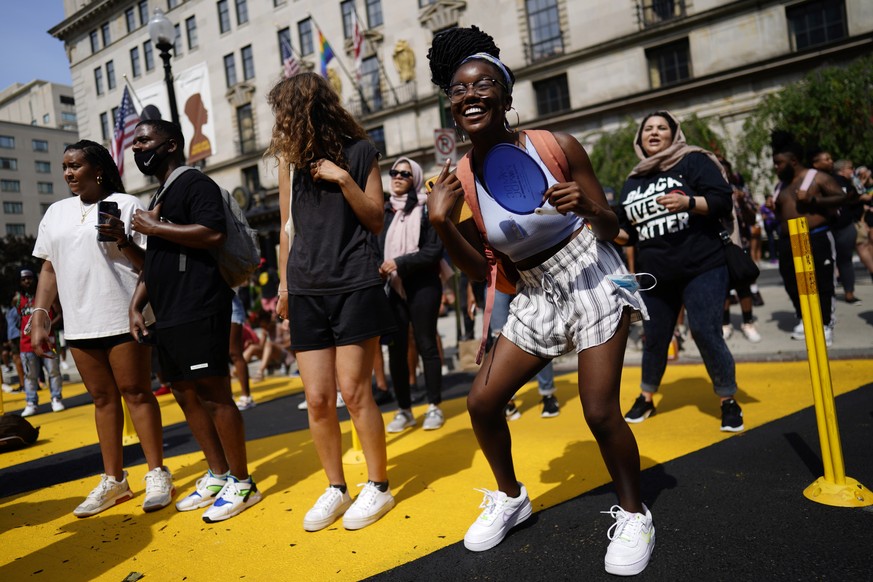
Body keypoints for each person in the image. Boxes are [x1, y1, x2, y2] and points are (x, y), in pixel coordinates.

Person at [426, 27, 654, 575]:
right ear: (452, 109)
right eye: (459, 91)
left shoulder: (555, 147)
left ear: (506, 97)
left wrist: (589, 207)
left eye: (483, 85)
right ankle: (511, 497)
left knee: (599, 409)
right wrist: (440, 223)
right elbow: (483, 269)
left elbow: (613, 228)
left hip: (591, 274)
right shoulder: (457, 179)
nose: (470, 95)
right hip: (533, 293)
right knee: (481, 404)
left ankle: (634, 512)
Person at [267, 73, 397, 532]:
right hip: (305, 289)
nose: (281, 124)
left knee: (355, 392)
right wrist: (284, 287)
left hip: (354, 284)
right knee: (318, 399)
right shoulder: (290, 164)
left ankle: (378, 486)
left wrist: (343, 178)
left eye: (285, 113)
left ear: (309, 111)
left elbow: (376, 218)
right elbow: (287, 230)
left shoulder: (361, 152)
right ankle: (336, 487)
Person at [28, 139, 174, 517]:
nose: (68, 173)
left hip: (124, 312)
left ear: (98, 169)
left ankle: (157, 472)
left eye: (75, 165)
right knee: (103, 400)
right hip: (79, 321)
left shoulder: (128, 205)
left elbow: (149, 265)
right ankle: (115, 481)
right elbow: (48, 267)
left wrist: (123, 240)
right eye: (65, 166)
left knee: (136, 392)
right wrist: (40, 313)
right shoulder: (55, 213)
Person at [129, 119, 261, 523]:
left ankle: (242, 481)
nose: (137, 148)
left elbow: (213, 234)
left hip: (200, 304)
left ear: (170, 145)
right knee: (184, 392)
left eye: (144, 140)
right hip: (168, 311)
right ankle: (218, 473)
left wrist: (155, 226)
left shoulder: (194, 184)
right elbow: (155, 261)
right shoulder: (162, 193)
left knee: (214, 392)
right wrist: (137, 305)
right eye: (135, 141)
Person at [616, 111, 745, 433]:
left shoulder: (693, 162)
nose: (655, 132)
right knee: (655, 338)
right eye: (648, 128)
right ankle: (646, 397)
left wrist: (688, 203)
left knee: (704, 330)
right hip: (656, 274)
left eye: (662, 127)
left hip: (703, 265)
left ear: (675, 134)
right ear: (640, 139)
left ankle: (728, 399)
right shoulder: (633, 180)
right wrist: (599, 228)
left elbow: (722, 201)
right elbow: (629, 233)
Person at [379, 157, 446, 433]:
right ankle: (404, 410)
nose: (397, 177)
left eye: (404, 174)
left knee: (426, 344)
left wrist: (400, 262)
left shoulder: (426, 209)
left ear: (415, 178)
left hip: (423, 284)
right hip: (392, 287)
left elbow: (434, 251)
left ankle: (434, 406)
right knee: (394, 351)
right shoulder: (384, 212)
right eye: (394, 172)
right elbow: (373, 247)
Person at [770, 131, 846, 345]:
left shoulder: (816, 177)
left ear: (793, 161)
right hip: (789, 240)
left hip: (816, 236)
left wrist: (813, 200)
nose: (776, 168)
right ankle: (805, 318)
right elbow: (783, 214)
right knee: (793, 283)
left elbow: (841, 197)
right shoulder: (781, 187)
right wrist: (773, 207)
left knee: (822, 282)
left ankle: (825, 324)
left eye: (779, 163)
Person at [14, 269, 64, 417]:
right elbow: (20, 320)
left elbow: (60, 315)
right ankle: (31, 402)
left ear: (35, 279)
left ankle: (56, 398)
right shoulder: (17, 299)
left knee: (53, 372)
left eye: (29, 278)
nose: (27, 281)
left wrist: (46, 327)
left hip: (48, 342)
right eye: (24, 279)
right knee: (30, 375)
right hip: (26, 344)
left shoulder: (48, 296)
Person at [229, 291, 255, 410]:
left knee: (234, 353)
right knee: (220, 355)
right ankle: (227, 397)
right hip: (209, 308)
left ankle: (246, 397)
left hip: (230, 304)